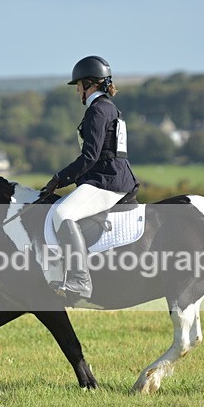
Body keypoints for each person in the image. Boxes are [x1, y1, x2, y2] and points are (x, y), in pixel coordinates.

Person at [39, 55, 139, 301]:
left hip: (107, 180)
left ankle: (80, 280)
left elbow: (90, 157)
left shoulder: (97, 110)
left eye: (78, 86)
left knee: (63, 213)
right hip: (113, 176)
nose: (77, 92)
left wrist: (59, 178)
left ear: (88, 84)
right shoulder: (109, 108)